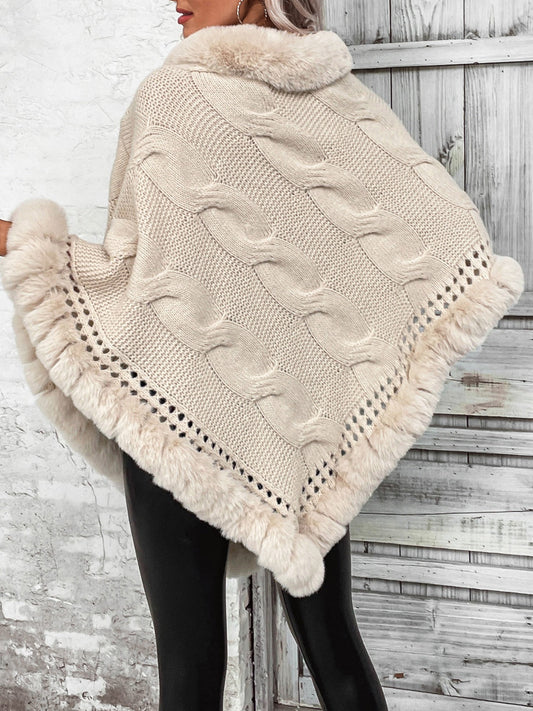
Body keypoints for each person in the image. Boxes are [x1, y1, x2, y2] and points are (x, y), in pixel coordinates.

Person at [0, 1, 391, 709]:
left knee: (190, 666)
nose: (174, 0)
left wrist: (21, 242)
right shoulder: (331, 98)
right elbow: (382, 254)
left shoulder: (175, 95)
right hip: (302, 421)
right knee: (334, 644)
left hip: (175, 415)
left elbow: (131, 278)